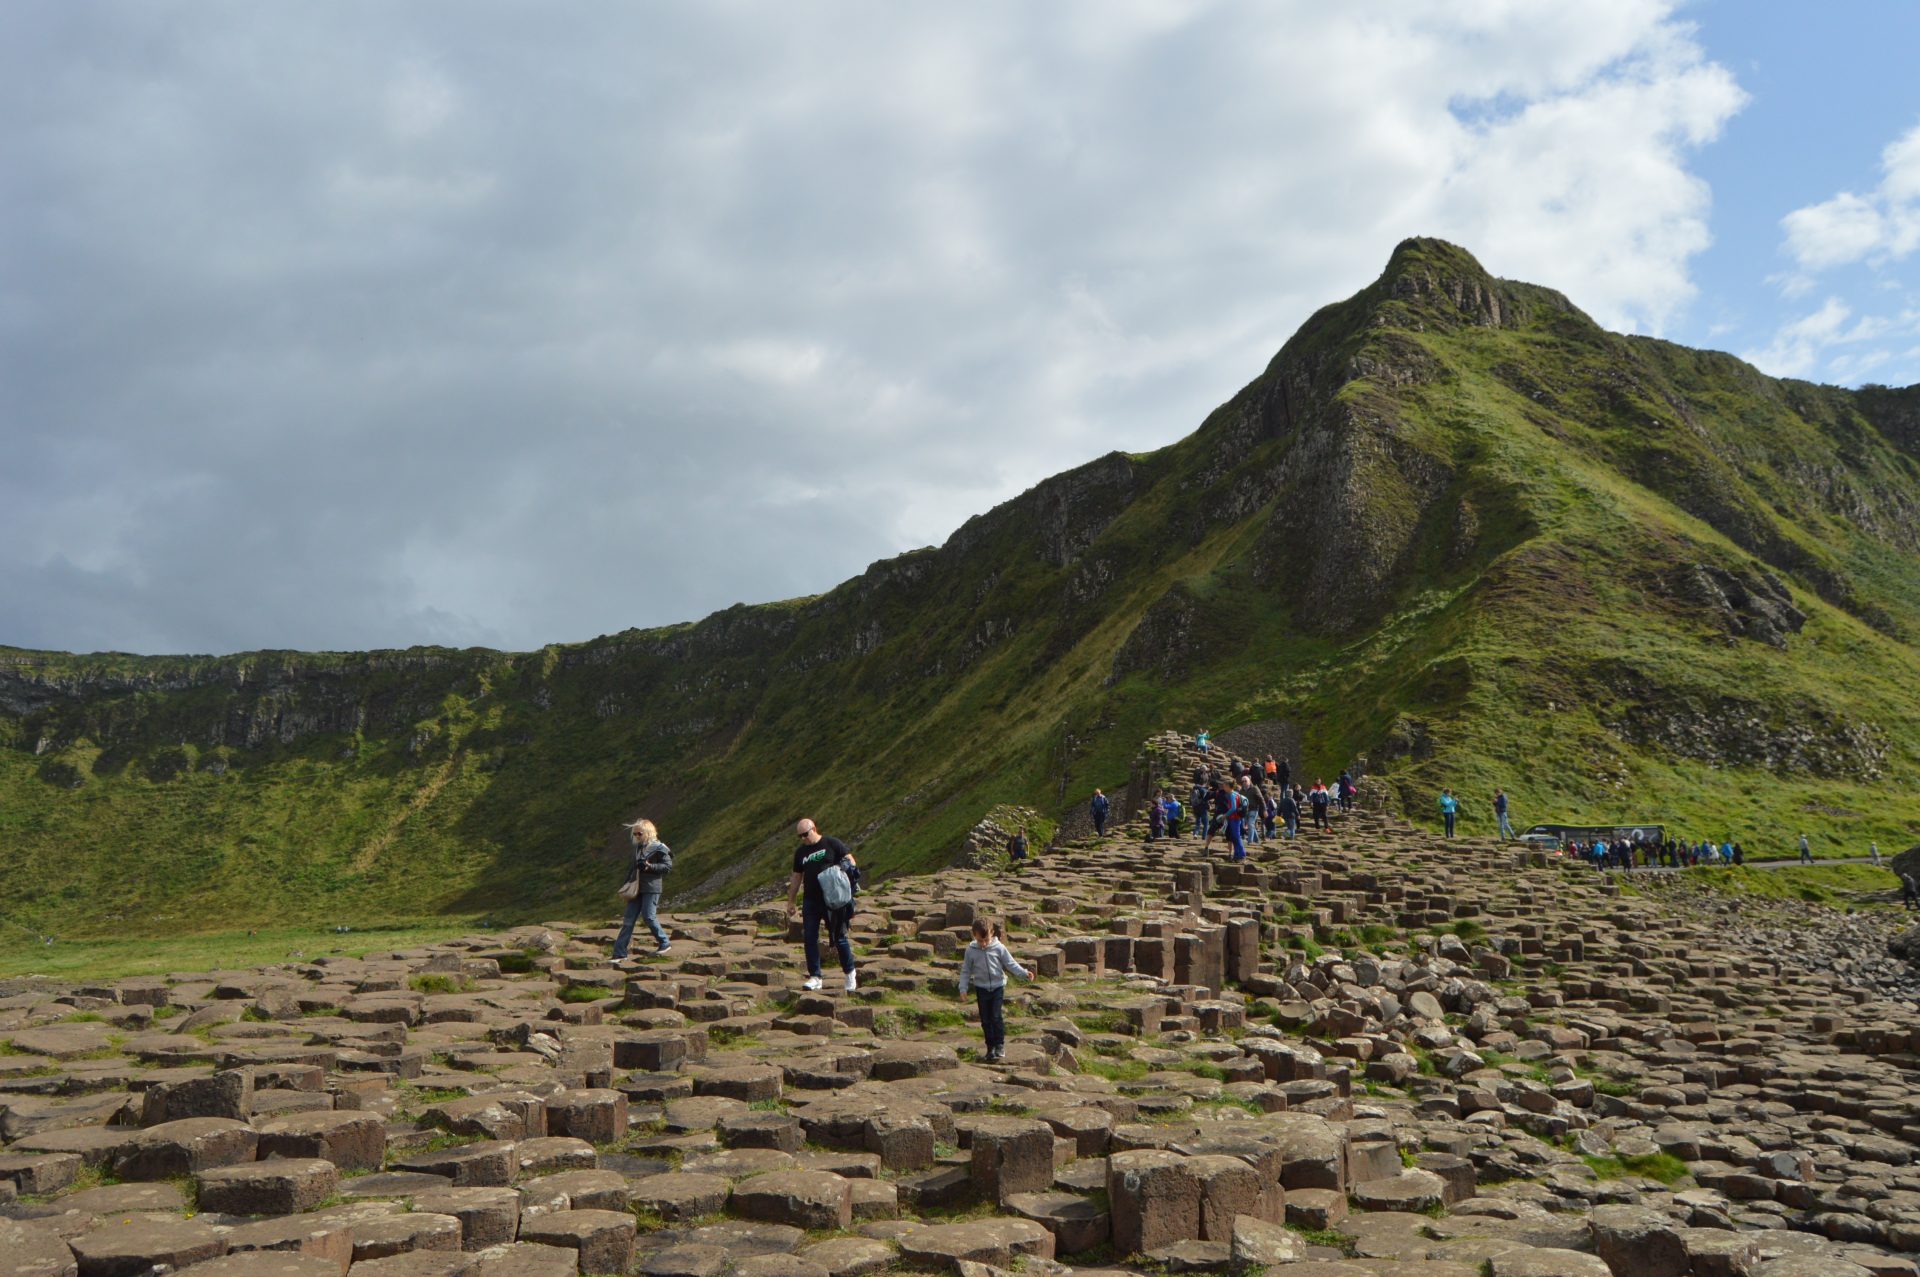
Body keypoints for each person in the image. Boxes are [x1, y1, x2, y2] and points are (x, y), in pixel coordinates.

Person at [786, 818, 859, 992]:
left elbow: (851, 861)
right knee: (809, 938)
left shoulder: (831, 843)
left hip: (832, 900)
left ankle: (850, 973)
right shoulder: (801, 852)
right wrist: (791, 900)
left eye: (805, 834)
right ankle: (815, 977)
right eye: (800, 836)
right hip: (810, 900)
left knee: (839, 937)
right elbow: (797, 877)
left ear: (814, 829)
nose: (803, 838)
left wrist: (839, 871)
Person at [958, 917, 1031, 1062]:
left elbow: (1010, 964)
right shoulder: (970, 950)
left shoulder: (999, 948)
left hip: (997, 986)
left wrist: (1024, 973)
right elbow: (966, 970)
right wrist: (963, 988)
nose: (984, 944)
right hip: (981, 988)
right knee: (985, 1020)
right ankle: (990, 1048)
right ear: (974, 935)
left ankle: (999, 1045)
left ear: (992, 933)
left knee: (996, 1016)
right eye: (980, 941)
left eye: (986, 940)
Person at [612, 818, 672, 965]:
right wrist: (626, 885)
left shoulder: (660, 848)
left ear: (648, 832)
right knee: (628, 920)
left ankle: (664, 942)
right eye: (635, 834)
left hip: (651, 887)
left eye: (639, 833)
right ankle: (619, 953)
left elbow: (667, 867)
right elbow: (633, 868)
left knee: (649, 916)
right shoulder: (638, 848)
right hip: (636, 888)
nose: (637, 836)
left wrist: (649, 866)